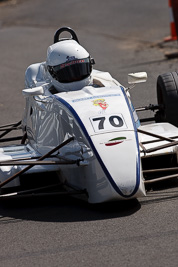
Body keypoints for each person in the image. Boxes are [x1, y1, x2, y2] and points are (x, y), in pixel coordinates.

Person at [25, 36, 95, 92]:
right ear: (52, 73)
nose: (75, 78)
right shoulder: (44, 95)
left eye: (80, 71)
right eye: (67, 74)